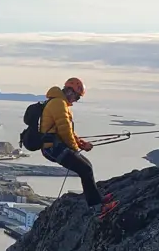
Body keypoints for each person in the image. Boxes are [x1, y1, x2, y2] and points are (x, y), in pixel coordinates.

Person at [40, 78, 115, 216]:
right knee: (85, 169)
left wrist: (81, 143)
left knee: (87, 166)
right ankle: (98, 207)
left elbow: (68, 131)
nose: (76, 100)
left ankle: (97, 200)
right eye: (77, 96)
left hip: (54, 147)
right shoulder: (59, 103)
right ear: (70, 91)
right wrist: (75, 149)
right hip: (53, 148)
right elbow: (65, 131)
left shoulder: (60, 103)